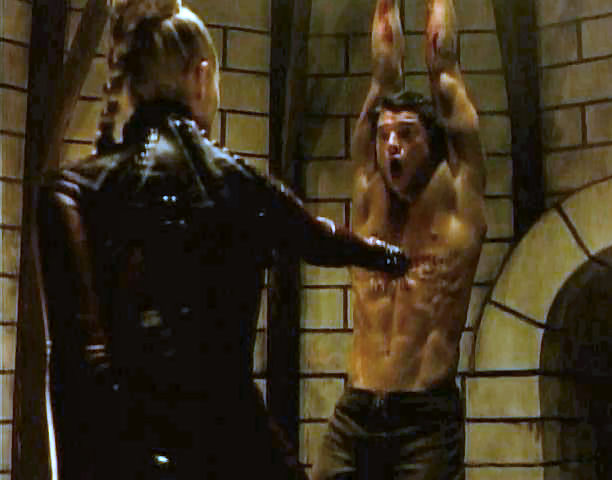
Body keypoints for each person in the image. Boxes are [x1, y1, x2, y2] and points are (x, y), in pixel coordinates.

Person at [37, 1, 409, 478]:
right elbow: (323, 240)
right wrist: (395, 258)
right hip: (235, 448)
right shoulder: (240, 184)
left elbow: (80, 364)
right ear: (201, 76)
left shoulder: (70, 191)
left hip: (127, 458)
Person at [311, 0, 486, 479]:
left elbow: (444, 71)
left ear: (433, 143)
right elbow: (383, 75)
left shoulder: (458, 199)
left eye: (406, 134)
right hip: (356, 410)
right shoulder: (370, 195)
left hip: (424, 417)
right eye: (385, 135)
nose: (391, 144)